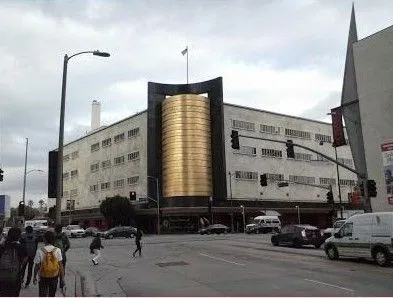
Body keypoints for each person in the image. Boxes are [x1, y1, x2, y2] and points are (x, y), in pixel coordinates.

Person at [33, 230, 65, 297]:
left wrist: (34, 276)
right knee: (52, 294)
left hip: (43, 276)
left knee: (42, 295)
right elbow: (61, 266)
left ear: (44, 239)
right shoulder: (57, 250)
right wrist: (62, 278)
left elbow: (37, 266)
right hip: (54, 275)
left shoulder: (40, 250)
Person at [0, 227, 27, 297]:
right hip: (15, 277)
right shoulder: (21, 247)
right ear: (19, 236)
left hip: (2, 277)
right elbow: (24, 261)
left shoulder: (2, 247)